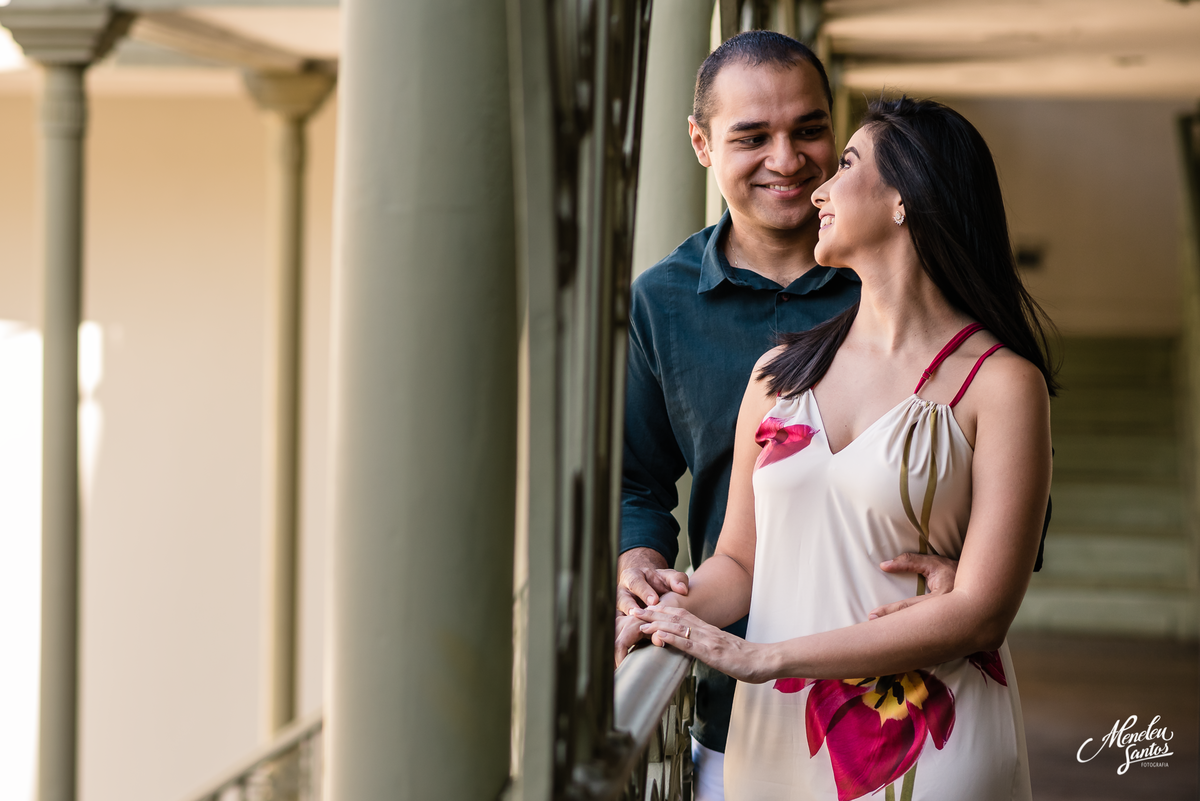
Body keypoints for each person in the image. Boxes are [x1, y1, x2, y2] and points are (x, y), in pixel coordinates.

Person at [622, 96, 1055, 800]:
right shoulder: (777, 373)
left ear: (903, 200)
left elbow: (983, 609)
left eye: (846, 163)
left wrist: (762, 656)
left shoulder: (1003, 384)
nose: (818, 187)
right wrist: (661, 611)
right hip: (775, 733)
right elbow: (738, 561)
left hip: (927, 741)